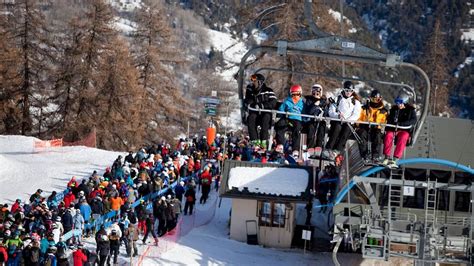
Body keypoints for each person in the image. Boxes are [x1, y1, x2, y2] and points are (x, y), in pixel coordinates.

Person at [324, 81, 362, 159]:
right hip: (338, 121)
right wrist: (337, 116)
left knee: (346, 131)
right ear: (344, 90)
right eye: (347, 90)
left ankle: (337, 150)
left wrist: (348, 120)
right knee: (337, 129)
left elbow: (356, 114)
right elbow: (331, 111)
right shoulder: (337, 98)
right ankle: (328, 148)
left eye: (351, 91)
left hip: (348, 122)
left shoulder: (355, 102)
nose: (348, 93)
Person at [382, 93, 417, 167]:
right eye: (397, 103)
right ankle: (386, 157)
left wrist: (401, 124)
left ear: (404, 103)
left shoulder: (410, 110)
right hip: (393, 129)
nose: (398, 105)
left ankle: (395, 159)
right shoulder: (394, 109)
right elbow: (389, 119)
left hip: (404, 130)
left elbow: (413, 120)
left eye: (400, 103)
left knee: (404, 137)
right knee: (388, 135)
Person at [244, 73, 277, 148]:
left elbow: (273, 102)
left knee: (266, 118)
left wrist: (262, 105)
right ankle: (254, 140)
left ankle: (264, 140)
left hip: (265, 113)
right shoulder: (250, 90)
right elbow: (247, 100)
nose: (253, 83)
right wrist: (252, 102)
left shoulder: (268, 91)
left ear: (260, 82)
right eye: (252, 81)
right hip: (255, 113)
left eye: (255, 81)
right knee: (251, 118)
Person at [357, 89, 388, 162]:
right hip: (365, 127)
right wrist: (359, 125)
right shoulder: (365, 108)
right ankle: (364, 155)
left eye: (376, 99)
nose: (374, 101)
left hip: (376, 129)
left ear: (379, 99)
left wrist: (379, 126)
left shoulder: (383, 111)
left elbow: (384, 122)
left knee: (378, 135)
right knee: (361, 133)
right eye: (372, 99)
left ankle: (375, 155)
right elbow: (359, 119)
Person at [275, 85, 304, 152]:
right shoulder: (287, 101)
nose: (295, 96)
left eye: (297, 94)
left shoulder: (302, 103)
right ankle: (280, 144)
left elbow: (304, 113)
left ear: (300, 94)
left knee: (297, 129)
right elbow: (281, 109)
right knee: (280, 124)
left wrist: (305, 120)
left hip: (297, 120)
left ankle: (295, 149)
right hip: (288, 119)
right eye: (293, 94)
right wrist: (279, 116)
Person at [303, 84, 328, 151]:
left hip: (320, 120)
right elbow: (309, 111)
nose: (316, 93)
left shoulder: (324, 101)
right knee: (311, 127)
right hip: (310, 120)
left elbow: (326, 113)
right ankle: (310, 146)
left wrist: (322, 115)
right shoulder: (309, 100)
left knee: (322, 126)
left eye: (318, 92)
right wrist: (315, 105)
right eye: (314, 91)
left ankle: (318, 146)